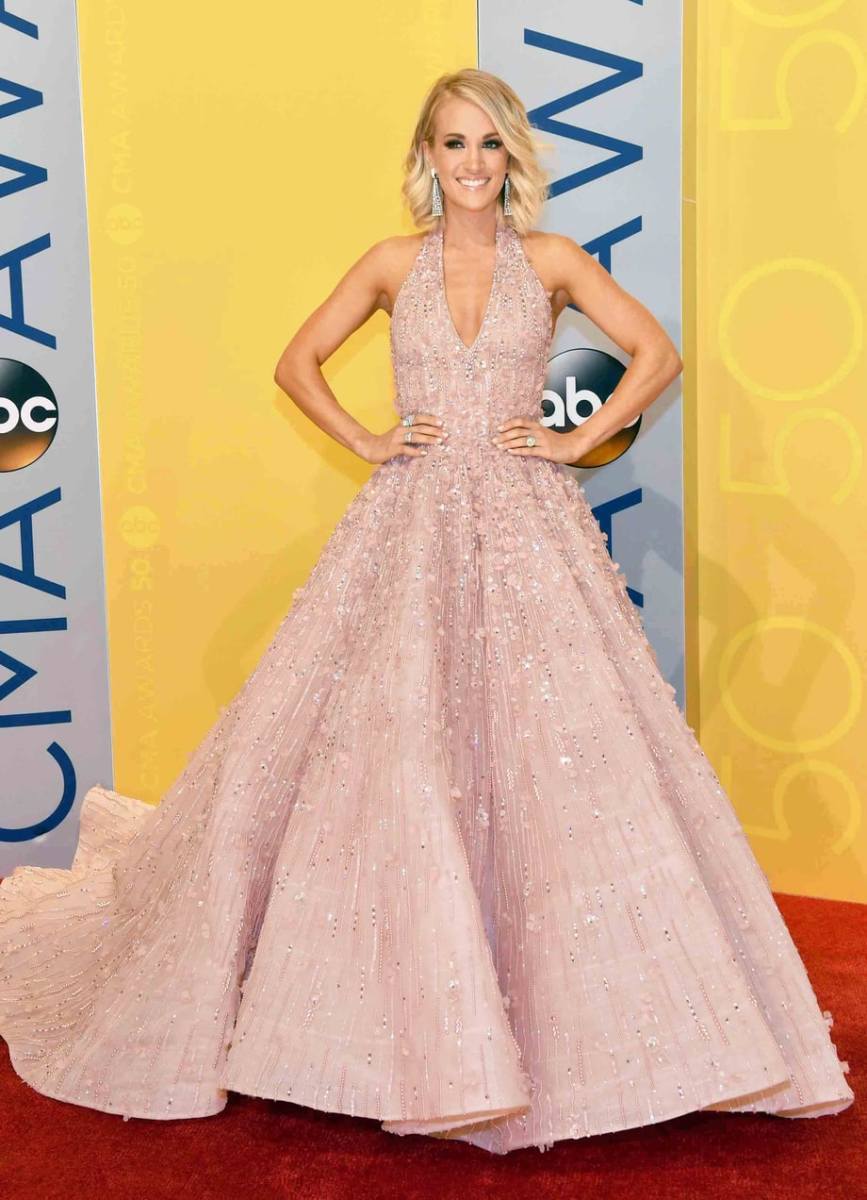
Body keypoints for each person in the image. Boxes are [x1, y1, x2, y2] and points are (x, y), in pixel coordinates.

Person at [0, 68, 853, 1156]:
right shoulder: (388, 263)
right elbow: (295, 362)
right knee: (397, 744)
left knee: (552, 751)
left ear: (512, 157)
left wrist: (574, 440)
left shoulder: (552, 261)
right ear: (426, 156)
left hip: (530, 528)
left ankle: (554, 1008)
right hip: (408, 527)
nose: (472, 163)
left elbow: (658, 354)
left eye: (490, 144)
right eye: (454, 143)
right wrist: (367, 439)